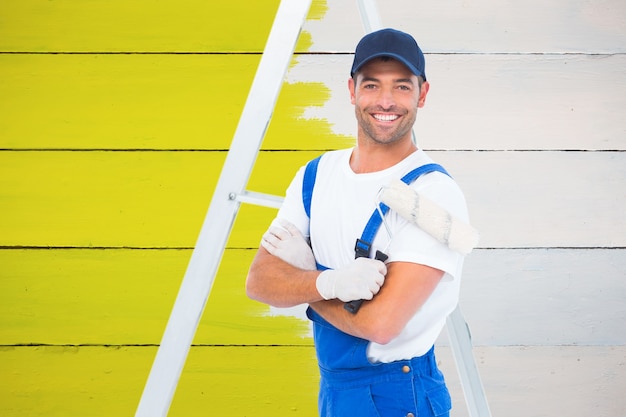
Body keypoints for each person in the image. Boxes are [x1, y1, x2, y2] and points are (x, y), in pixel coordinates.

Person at [246, 28, 470, 417]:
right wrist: (331, 282)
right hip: (334, 390)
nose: (386, 101)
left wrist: (307, 278)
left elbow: (382, 324)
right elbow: (260, 282)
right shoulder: (315, 176)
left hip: (399, 395)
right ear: (352, 90)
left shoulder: (434, 195)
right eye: (372, 85)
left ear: (423, 94)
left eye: (402, 87)